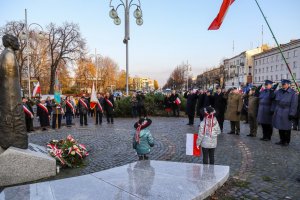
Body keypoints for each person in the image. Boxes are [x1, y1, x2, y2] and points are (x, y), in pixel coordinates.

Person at [272, 79, 298, 146]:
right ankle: (281, 140)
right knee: (280, 127)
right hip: (279, 110)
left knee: (286, 128)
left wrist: (292, 114)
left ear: (288, 84)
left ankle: (286, 141)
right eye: (282, 84)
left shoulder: (293, 93)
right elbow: (272, 96)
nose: (283, 85)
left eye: (284, 84)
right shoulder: (279, 91)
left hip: (287, 111)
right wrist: (273, 88)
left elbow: (294, 104)